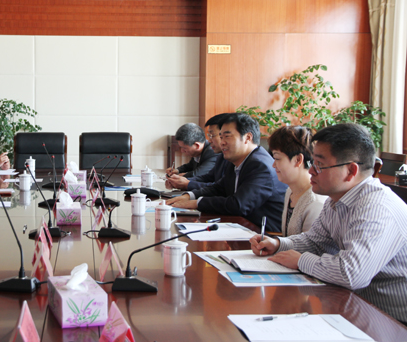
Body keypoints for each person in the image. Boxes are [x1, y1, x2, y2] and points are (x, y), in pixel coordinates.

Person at [250, 123, 407, 324]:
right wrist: (279, 244)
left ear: (350, 171)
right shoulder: (337, 199)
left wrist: (300, 260)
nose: (311, 171)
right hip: (357, 306)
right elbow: (315, 241)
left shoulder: (376, 208)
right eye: (312, 162)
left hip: (392, 320)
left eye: (319, 165)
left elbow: (351, 274)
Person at [167, 113, 287, 232]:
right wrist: (189, 196)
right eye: (221, 137)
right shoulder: (236, 161)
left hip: (265, 234)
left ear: (247, 138)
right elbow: (219, 188)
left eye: (227, 136)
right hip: (241, 226)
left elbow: (238, 205)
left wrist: (196, 203)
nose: (222, 142)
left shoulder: (260, 165)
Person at [268, 126, 325, 236]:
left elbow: (310, 245)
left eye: (277, 158)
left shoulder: (315, 202)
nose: (273, 165)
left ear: (298, 160)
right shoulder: (290, 191)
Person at [166, 113, 229, 191]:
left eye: (212, 135)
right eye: (209, 135)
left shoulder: (213, 152)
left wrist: (185, 181)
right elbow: (207, 177)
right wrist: (178, 172)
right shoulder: (219, 156)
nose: (209, 140)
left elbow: (201, 175)